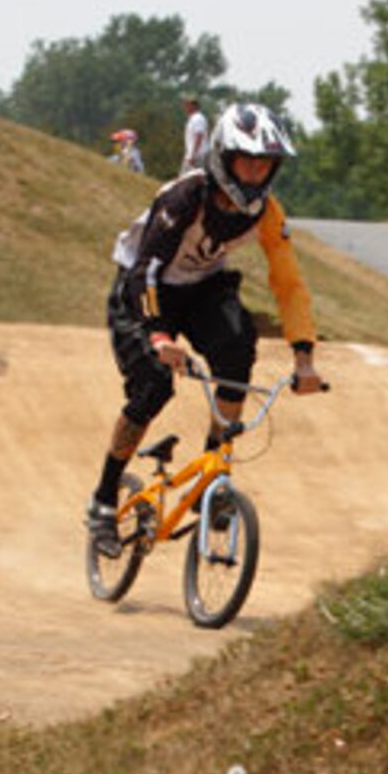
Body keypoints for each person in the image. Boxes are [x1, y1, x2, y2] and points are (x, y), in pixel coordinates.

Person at [85, 103, 325, 554]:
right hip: (142, 288)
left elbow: (289, 284)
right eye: (246, 162)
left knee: (237, 349)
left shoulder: (266, 212)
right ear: (222, 156)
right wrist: (158, 336)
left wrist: (304, 356)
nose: (255, 175)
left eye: (264, 165)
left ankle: (216, 475)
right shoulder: (185, 198)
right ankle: (102, 498)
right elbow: (146, 272)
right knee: (153, 386)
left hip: (200, 287)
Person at [180, 94, 208, 174]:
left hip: (197, 156)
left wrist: (193, 155)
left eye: (187, 105)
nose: (185, 107)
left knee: (189, 180)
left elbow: (199, 136)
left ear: (193, 106)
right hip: (192, 155)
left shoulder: (198, 118)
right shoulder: (192, 119)